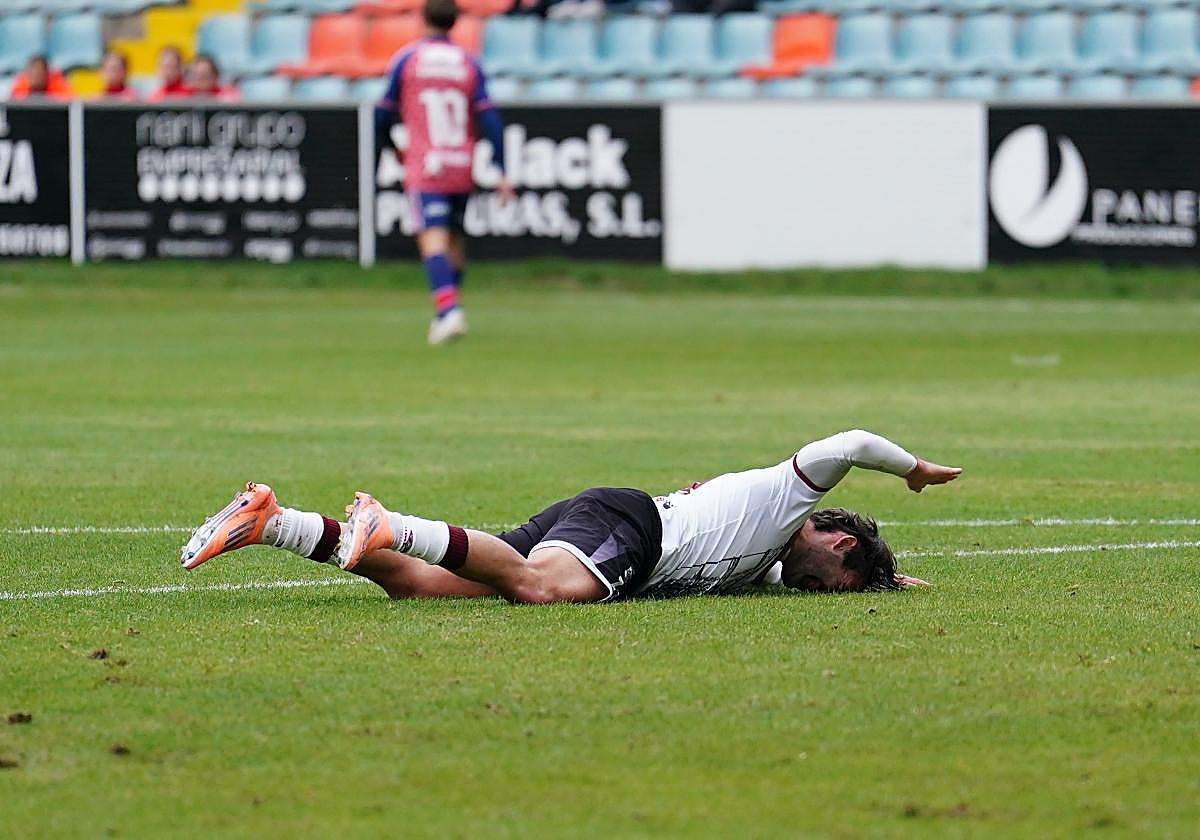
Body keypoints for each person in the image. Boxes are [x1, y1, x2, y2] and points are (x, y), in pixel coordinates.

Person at [181, 429, 962, 603]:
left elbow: (878, 574)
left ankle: (273, 522)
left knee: (422, 590)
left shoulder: (768, 566)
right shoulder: (788, 496)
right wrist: (914, 472)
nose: (827, 591)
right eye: (839, 578)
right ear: (834, 533)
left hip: (609, 521)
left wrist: (896, 580)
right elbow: (854, 440)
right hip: (632, 530)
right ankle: (391, 523)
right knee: (545, 590)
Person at [375, 0, 513, 346]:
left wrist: (389, 145)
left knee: (432, 239)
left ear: (423, 19)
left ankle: (449, 311)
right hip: (460, 162)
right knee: (454, 238)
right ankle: (448, 309)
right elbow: (490, 118)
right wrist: (501, 168)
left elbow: (382, 112)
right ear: (455, 23)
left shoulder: (408, 59)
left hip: (428, 164)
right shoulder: (469, 62)